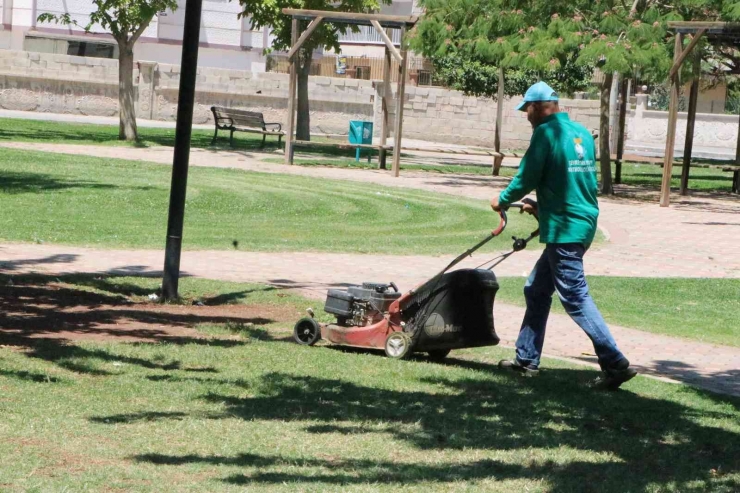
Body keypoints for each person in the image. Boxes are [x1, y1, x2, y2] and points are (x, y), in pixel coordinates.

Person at [490, 81, 637, 391]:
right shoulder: (581, 133)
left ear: (536, 107)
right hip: (581, 221)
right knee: (536, 289)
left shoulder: (546, 133)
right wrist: (541, 207)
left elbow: (526, 177)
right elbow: (573, 182)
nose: (527, 117)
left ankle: (615, 363)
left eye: (526, 111)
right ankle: (526, 359)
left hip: (566, 227)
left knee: (574, 295)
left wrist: (502, 200)